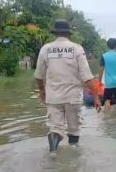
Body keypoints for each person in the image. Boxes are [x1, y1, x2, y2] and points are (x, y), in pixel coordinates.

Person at [34, 19, 101, 156]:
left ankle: (53, 151)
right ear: (68, 33)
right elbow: (87, 77)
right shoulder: (77, 48)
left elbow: (39, 76)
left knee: (54, 127)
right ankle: (74, 155)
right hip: (72, 97)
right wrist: (95, 97)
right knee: (74, 129)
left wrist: (42, 91)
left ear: (55, 33)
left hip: (53, 97)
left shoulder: (45, 49)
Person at [98, 38, 116, 110]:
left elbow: (101, 69)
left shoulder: (104, 56)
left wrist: (99, 81)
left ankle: (108, 118)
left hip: (108, 84)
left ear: (107, 46)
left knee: (107, 100)